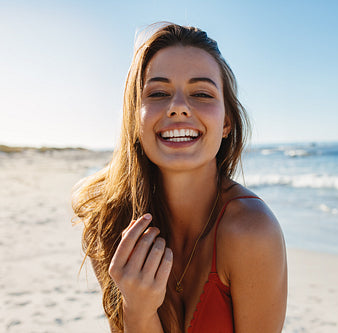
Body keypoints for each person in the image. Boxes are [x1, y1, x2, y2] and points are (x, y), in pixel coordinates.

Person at [72, 22, 287, 333]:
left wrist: (141, 314)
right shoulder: (108, 222)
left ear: (226, 122)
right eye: (158, 93)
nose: (178, 108)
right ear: (135, 119)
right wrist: (138, 311)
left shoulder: (251, 231)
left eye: (201, 93)